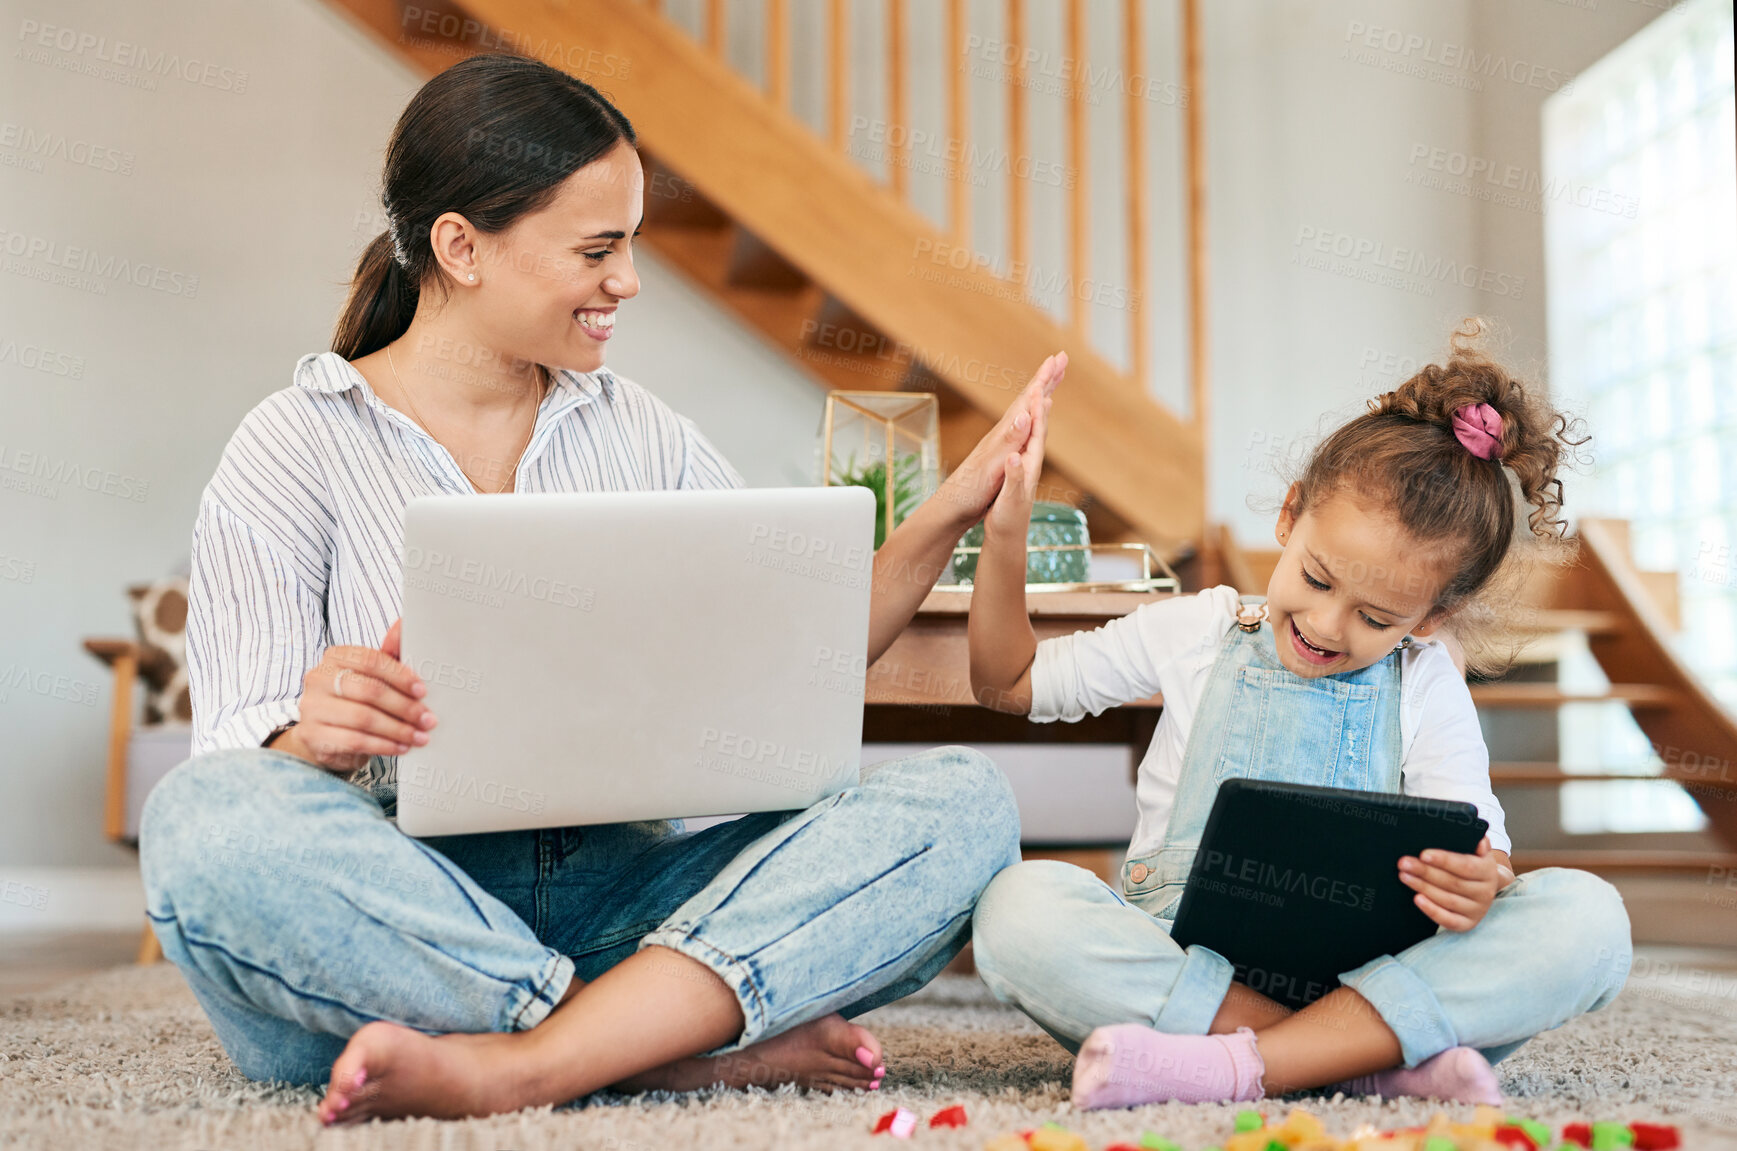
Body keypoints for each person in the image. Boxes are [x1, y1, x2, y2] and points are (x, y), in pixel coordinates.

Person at [139, 53, 1068, 1125]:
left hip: (631, 897)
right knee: (203, 821)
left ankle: (526, 1058)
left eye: (630, 242)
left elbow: (796, 647)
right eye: (598, 247)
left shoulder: (640, 431)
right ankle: (646, 1044)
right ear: (460, 247)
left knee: (964, 803)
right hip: (394, 917)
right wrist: (314, 732)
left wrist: (952, 506)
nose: (627, 278)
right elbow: (239, 765)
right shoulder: (292, 444)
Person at [965, 323, 1632, 1109]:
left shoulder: (1425, 682)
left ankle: (1234, 1068)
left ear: (1429, 617)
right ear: (1288, 517)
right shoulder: (1196, 627)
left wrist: (1479, 881)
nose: (1325, 625)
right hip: (1186, 968)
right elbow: (1010, 680)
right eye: (1316, 578)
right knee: (1017, 909)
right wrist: (1003, 532)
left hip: (1367, 977)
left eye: (1376, 617)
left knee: (1587, 919)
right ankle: (1364, 1065)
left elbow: (1481, 849)